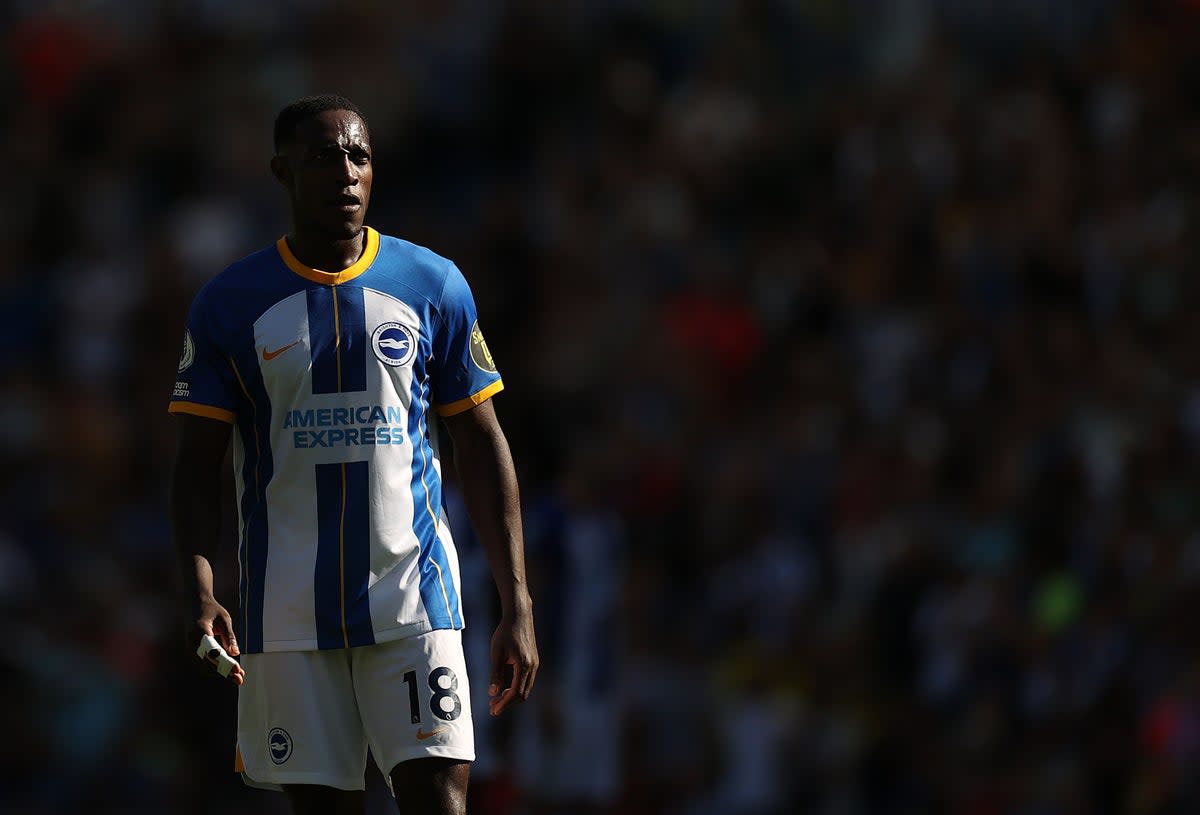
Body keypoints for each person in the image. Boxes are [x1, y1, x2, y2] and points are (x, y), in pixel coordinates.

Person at [167, 94, 538, 815]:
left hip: (414, 601)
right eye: (323, 156)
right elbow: (194, 468)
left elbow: (483, 442)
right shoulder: (229, 303)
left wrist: (516, 599)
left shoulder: (433, 284)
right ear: (281, 171)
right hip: (287, 616)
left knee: (439, 797)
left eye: (358, 155)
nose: (345, 170)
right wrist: (200, 587)